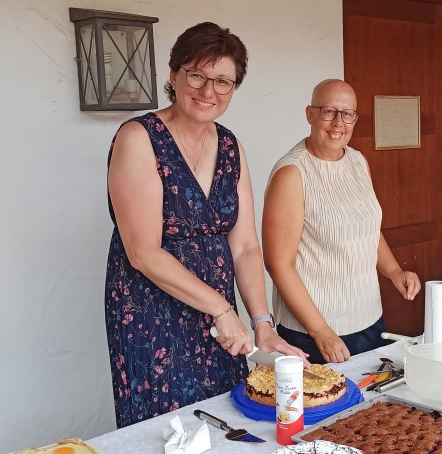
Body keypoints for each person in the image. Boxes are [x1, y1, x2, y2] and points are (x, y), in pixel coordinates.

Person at [105, 22, 305, 428]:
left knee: (225, 420)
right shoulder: (139, 138)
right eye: (197, 74)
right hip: (151, 310)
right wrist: (221, 308)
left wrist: (261, 323)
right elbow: (142, 252)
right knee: (167, 429)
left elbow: (246, 244)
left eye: (222, 81)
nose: (207, 90)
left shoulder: (231, 145)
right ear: (174, 75)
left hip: (219, 315)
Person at [262, 78, 421, 364]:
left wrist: (395, 271)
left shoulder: (358, 161)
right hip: (313, 332)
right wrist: (321, 331)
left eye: (347, 114)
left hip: (369, 320)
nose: (338, 123)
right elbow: (278, 264)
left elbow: (366, 228)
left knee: (373, 408)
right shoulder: (292, 174)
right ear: (310, 114)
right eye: (329, 112)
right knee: (322, 408)